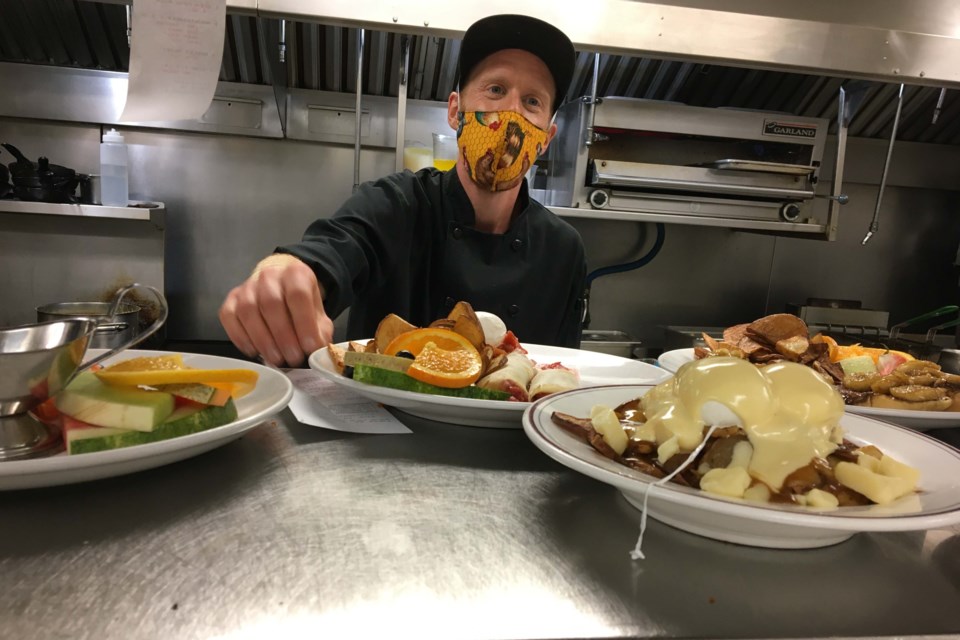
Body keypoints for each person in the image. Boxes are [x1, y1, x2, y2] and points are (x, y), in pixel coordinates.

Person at [219, 14, 586, 367]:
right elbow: (332, 249)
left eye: (532, 102)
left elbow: (562, 377)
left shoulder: (563, 250)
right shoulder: (395, 204)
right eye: (495, 89)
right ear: (456, 111)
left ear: (546, 140)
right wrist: (285, 272)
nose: (511, 111)